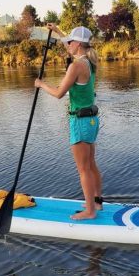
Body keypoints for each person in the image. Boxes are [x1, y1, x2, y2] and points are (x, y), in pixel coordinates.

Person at [35, 24, 103, 220]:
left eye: (70, 41)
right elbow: (70, 46)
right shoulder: (90, 61)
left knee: (84, 169)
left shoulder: (76, 66)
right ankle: (97, 203)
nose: (67, 44)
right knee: (91, 164)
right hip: (91, 120)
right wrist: (58, 31)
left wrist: (40, 84)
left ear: (79, 44)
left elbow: (58, 93)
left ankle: (89, 211)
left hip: (80, 122)